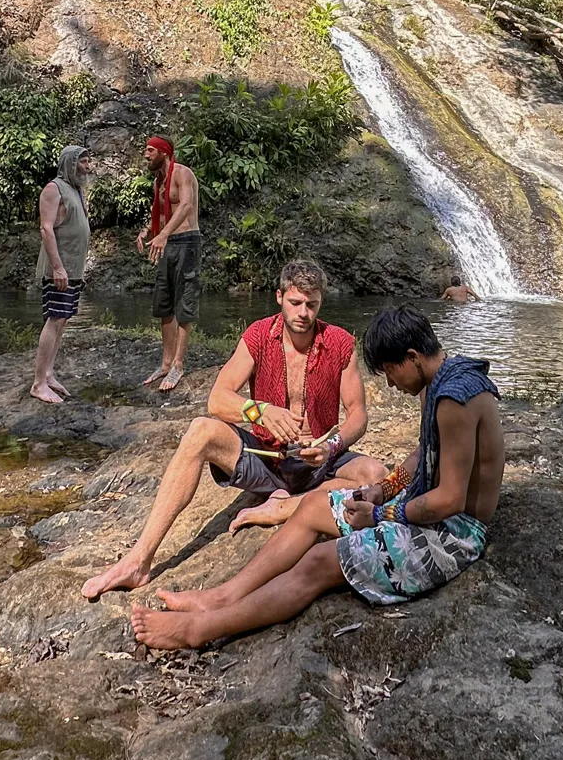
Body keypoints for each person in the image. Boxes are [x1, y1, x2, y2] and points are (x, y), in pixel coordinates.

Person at [133, 305, 503, 649]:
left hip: (453, 532)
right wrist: (382, 490)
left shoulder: (455, 400)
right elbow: (424, 452)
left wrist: (379, 516)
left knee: (320, 561)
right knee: (311, 507)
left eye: (390, 372)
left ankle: (203, 629)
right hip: (425, 510)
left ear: (412, 358)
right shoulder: (436, 382)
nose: (390, 384)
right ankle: (222, 597)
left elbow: (451, 499)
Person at [82, 259, 384, 600]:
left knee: (376, 474)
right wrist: (260, 412)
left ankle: (284, 507)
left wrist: (332, 444)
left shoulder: (341, 343)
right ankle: (139, 561)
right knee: (200, 431)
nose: (303, 313)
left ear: (320, 304)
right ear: (279, 297)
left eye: (311, 305)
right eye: (295, 302)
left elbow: (358, 414)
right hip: (266, 459)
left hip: (320, 465)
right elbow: (217, 398)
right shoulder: (258, 335)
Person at [136, 135, 200, 392]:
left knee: (184, 303)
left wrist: (163, 235)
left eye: (150, 150)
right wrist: (149, 231)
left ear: (164, 152)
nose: (146, 155)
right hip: (166, 243)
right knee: (164, 304)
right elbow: (163, 214)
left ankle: (179, 364)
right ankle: (165, 363)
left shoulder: (183, 174)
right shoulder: (158, 182)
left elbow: (184, 206)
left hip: (187, 242)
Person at [32, 144, 93, 404]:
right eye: (84, 161)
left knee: (64, 319)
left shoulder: (76, 191)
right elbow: (46, 229)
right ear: (70, 163)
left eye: (89, 161)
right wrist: (57, 266)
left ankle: (48, 374)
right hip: (60, 268)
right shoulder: (53, 189)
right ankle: (37, 383)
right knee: (55, 319)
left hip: (73, 269)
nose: (89, 165)